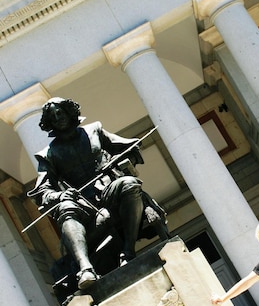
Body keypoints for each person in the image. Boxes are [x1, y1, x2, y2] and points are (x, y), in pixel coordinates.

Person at [28, 97, 169, 290]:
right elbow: (42, 191)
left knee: (128, 184)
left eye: (60, 112)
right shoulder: (48, 154)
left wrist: (125, 155)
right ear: (49, 122)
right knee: (66, 209)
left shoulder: (94, 130)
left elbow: (128, 147)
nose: (58, 117)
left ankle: (128, 252)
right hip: (82, 205)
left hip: (108, 192)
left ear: (69, 111)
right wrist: (60, 196)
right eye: (53, 116)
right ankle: (85, 269)